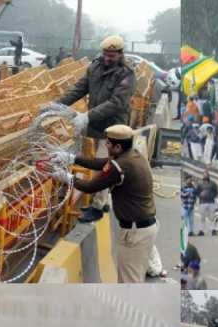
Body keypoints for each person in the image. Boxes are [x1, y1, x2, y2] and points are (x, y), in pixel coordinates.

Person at [52, 125, 158, 282]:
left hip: (135, 233)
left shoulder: (121, 165)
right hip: (143, 228)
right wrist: (72, 158)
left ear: (118, 146)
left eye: (108, 143)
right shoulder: (131, 155)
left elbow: (91, 186)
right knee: (130, 278)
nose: (106, 145)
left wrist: (67, 178)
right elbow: (100, 163)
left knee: (129, 282)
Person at [55, 35, 134, 140]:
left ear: (120, 54)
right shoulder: (95, 67)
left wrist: (87, 116)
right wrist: (57, 104)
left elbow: (117, 102)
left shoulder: (126, 74)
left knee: (107, 155)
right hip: (94, 125)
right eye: (105, 54)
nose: (106, 59)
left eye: (111, 56)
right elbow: (78, 89)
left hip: (114, 128)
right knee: (90, 155)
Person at [196, 170, 218, 236]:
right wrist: (200, 196)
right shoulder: (200, 183)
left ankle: (213, 230)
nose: (206, 176)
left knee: (212, 217)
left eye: (207, 174)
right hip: (202, 202)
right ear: (203, 175)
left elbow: (216, 191)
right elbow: (197, 192)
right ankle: (201, 230)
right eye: (204, 174)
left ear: (209, 175)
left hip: (211, 202)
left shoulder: (213, 183)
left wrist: (212, 196)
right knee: (202, 218)